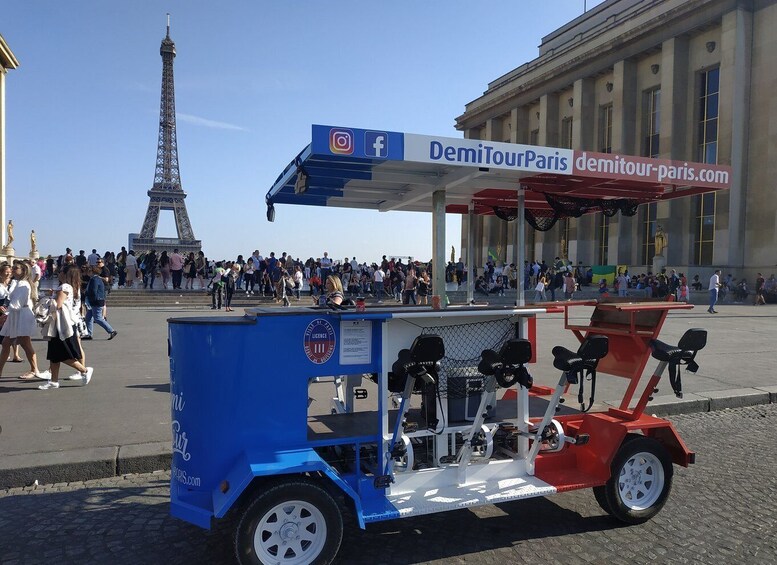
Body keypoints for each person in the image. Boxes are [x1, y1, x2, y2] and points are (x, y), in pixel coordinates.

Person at [38, 265, 93, 390]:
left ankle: (84, 370)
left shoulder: (64, 287)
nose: (59, 273)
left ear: (67, 274)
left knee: (61, 354)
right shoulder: (71, 287)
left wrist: (47, 298)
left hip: (60, 325)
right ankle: (54, 381)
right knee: (54, 354)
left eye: (61, 271)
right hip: (63, 323)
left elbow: (57, 305)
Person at [0, 262, 41, 380]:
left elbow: (16, 304)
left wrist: (5, 314)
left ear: (23, 271)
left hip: (20, 316)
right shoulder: (18, 283)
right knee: (7, 343)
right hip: (18, 315)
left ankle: (35, 370)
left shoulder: (23, 284)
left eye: (15, 268)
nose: (12, 269)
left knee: (24, 343)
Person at [84, 264, 117, 340]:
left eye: (88, 271)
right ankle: (89, 334)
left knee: (98, 318)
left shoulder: (94, 279)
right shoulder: (97, 279)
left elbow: (93, 291)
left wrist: (86, 294)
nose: (87, 273)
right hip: (97, 300)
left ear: (91, 271)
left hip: (96, 301)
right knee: (88, 318)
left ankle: (111, 331)